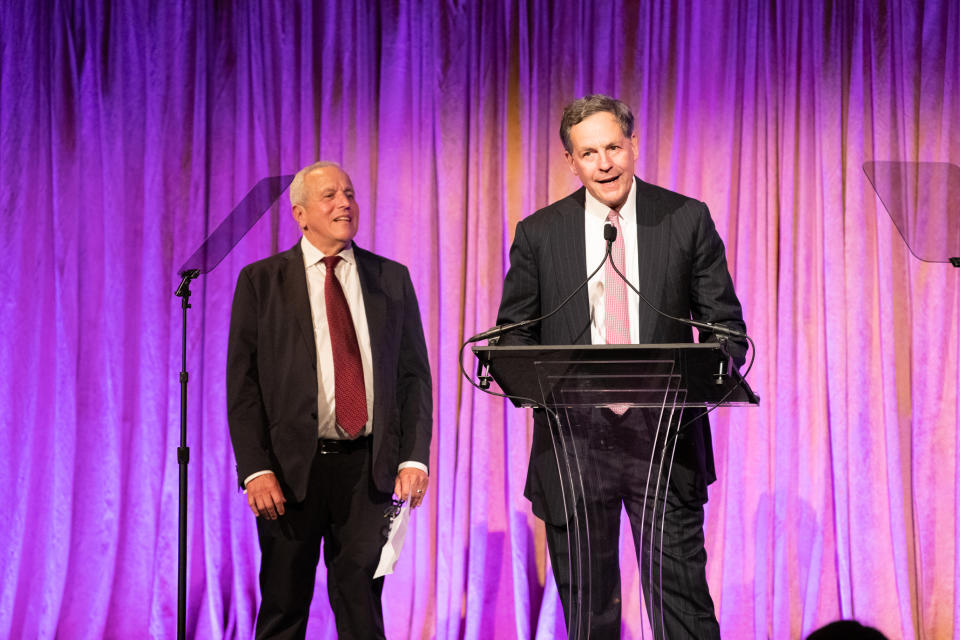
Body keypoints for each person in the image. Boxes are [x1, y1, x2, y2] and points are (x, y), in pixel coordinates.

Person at [494, 95, 747, 639]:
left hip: (664, 440)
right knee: (590, 612)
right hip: (573, 446)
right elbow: (514, 334)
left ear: (633, 145)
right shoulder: (539, 233)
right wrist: (530, 380)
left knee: (683, 604)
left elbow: (725, 326)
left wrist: (717, 365)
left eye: (613, 147)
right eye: (589, 153)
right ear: (571, 161)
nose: (604, 163)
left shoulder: (684, 217)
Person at [227, 161, 432, 639]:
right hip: (288, 472)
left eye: (350, 193)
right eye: (329, 196)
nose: (344, 203)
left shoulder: (392, 279)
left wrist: (414, 457)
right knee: (283, 604)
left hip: (368, 470)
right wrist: (255, 470)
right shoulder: (261, 281)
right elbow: (243, 386)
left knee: (361, 606)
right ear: (300, 214)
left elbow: (413, 377)